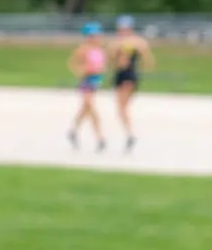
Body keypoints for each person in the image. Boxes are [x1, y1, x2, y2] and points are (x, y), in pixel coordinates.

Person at [109, 14, 155, 152]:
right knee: (121, 108)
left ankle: (130, 134)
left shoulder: (136, 42)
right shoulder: (117, 42)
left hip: (129, 75)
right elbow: (111, 59)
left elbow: (148, 58)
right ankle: (129, 133)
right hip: (120, 75)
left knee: (122, 107)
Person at [66, 22, 107, 151]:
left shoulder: (100, 50)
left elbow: (102, 66)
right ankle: (99, 137)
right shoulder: (83, 49)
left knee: (85, 108)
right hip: (86, 80)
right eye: (93, 36)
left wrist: (99, 71)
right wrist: (81, 70)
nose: (96, 38)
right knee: (89, 106)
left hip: (95, 80)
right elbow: (72, 63)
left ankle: (73, 131)